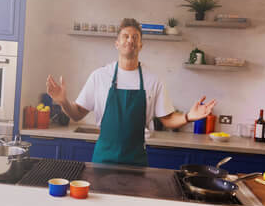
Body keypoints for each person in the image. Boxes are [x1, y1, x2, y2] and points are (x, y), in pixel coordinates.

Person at [46, 17, 218, 167]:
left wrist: (188, 117)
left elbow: (167, 119)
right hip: (103, 160)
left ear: (141, 45)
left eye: (135, 37)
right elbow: (76, 114)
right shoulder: (99, 76)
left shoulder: (153, 80)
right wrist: (63, 101)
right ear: (117, 43)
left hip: (136, 161)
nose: (130, 40)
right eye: (125, 36)